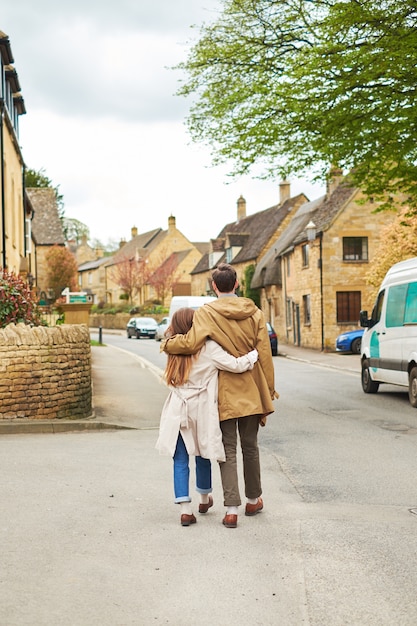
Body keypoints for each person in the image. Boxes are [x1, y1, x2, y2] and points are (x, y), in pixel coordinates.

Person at [162, 263, 278, 528]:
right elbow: (265, 354)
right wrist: (268, 390)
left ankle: (231, 510)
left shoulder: (206, 313)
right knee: (250, 447)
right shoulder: (256, 313)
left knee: (228, 449)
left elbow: (191, 344)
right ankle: (253, 500)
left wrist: (167, 343)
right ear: (236, 284)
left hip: (224, 391)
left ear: (214, 286)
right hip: (252, 388)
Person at [155, 307, 259, 527]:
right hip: (201, 407)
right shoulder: (209, 348)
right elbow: (236, 365)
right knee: (202, 452)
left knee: (181, 458)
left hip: (178, 407)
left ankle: (185, 510)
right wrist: (253, 355)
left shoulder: (173, 347)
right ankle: (203, 499)